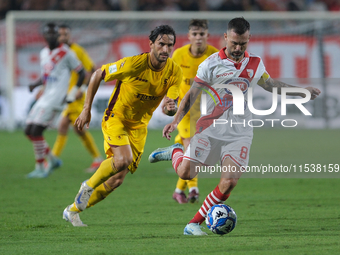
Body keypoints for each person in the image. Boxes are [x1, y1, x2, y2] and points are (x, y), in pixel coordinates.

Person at [148, 17, 321, 235]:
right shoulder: (210, 64)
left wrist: (301, 91)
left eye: (243, 44)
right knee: (185, 173)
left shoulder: (255, 64)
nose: (238, 48)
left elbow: (271, 85)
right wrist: (175, 122)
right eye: (234, 43)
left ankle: (193, 224)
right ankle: (175, 151)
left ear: (249, 39)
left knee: (229, 182)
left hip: (240, 132)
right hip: (210, 130)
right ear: (226, 38)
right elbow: (191, 95)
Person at [62, 25, 182, 227]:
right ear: (151, 44)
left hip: (138, 127)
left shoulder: (174, 72)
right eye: (161, 44)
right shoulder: (133, 64)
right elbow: (98, 74)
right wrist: (86, 109)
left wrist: (171, 108)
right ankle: (88, 185)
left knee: (117, 179)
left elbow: (169, 107)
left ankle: (73, 210)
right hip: (116, 117)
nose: (165, 49)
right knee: (122, 159)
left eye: (170, 45)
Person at [25, 22, 85, 178]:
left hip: (56, 99)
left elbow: (82, 72)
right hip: (45, 96)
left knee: (36, 131)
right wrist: (35, 85)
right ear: (44, 35)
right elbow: (47, 76)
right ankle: (52, 159)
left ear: (58, 35)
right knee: (28, 131)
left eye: (54, 33)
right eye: (48, 33)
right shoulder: (43, 52)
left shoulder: (66, 52)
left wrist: (72, 93)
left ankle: (40, 167)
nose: (52, 36)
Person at [170, 19, 218, 204]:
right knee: (192, 148)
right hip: (185, 111)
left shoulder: (215, 56)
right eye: (195, 34)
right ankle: (194, 189)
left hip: (206, 112)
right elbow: (171, 80)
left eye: (201, 34)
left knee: (199, 152)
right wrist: (170, 100)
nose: (198, 37)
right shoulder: (179, 55)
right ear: (189, 36)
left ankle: (178, 190)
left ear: (207, 35)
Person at [47, 24, 103, 173]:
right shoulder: (57, 52)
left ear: (70, 36)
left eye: (66, 34)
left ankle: (97, 159)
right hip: (65, 95)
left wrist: (82, 88)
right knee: (65, 126)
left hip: (75, 97)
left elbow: (91, 70)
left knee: (76, 127)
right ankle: (53, 159)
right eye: (60, 35)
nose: (63, 37)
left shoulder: (77, 50)